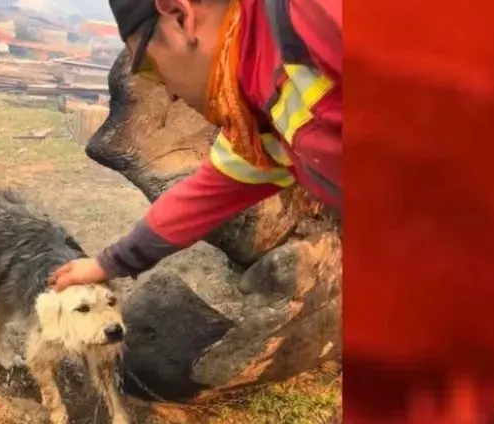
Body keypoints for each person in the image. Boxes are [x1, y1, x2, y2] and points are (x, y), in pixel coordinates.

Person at [50, 0, 341, 290]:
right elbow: (199, 200)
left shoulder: (308, 14)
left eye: (151, 69)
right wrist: (108, 263)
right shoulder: (258, 122)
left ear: (179, 16)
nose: (171, 95)